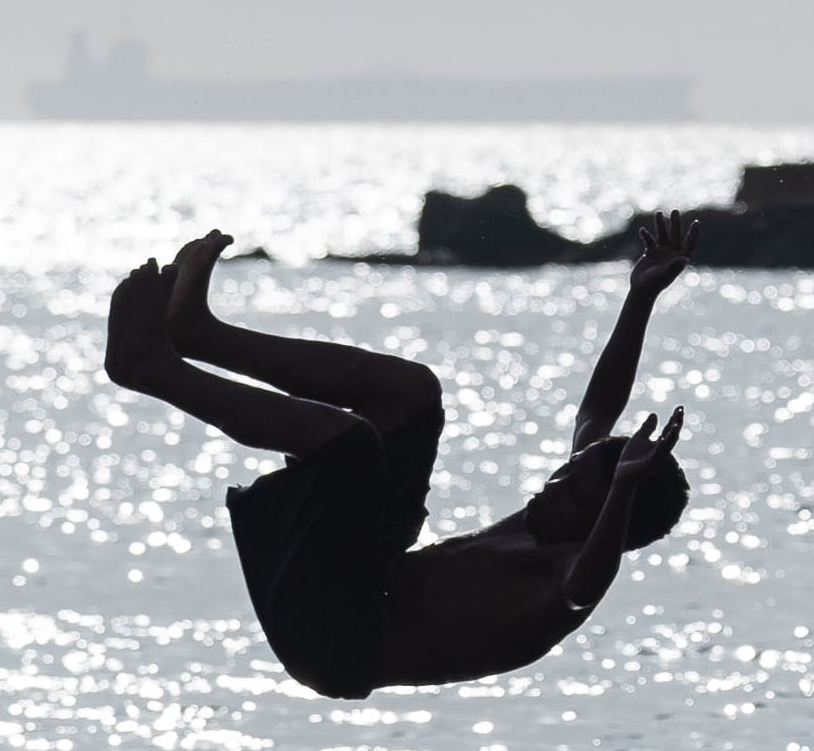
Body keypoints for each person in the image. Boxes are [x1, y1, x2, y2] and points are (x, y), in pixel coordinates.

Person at [105, 221, 696, 701]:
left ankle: (153, 370)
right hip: (367, 569)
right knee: (411, 395)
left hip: (334, 640)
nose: (550, 488)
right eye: (562, 475)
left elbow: (589, 584)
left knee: (351, 445)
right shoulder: (570, 504)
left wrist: (620, 491)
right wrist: (640, 295)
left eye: (572, 493)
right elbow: (597, 410)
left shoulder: (561, 577)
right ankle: (197, 334)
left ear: (604, 522)